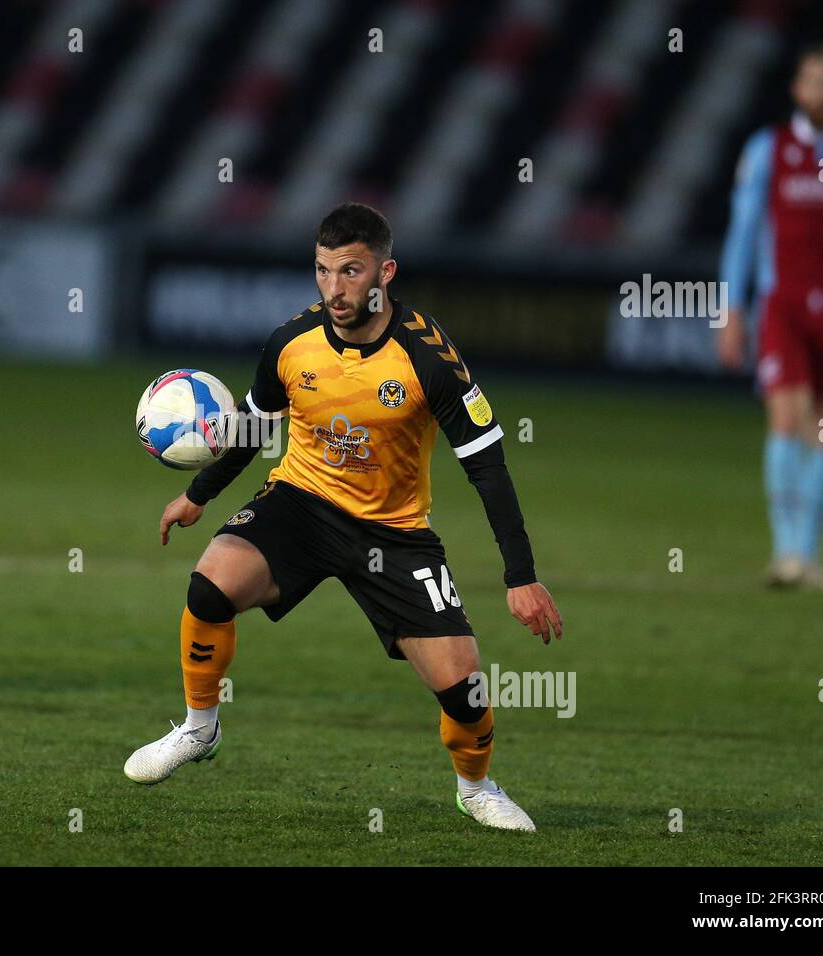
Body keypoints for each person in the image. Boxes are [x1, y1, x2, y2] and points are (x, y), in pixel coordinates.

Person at [124, 203, 563, 831]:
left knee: (463, 690)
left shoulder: (428, 358)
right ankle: (199, 727)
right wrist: (199, 494)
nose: (334, 288)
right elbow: (253, 427)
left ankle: (477, 787)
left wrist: (520, 575)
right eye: (323, 271)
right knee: (210, 584)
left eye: (351, 272)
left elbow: (487, 466)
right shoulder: (291, 343)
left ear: (385, 271)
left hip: (396, 532)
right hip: (300, 505)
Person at [718, 43, 823, 590]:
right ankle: (786, 551)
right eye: (815, 79)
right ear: (797, 89)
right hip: (784, 303)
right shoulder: (769, 149)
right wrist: (731, 307)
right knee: (787, 417)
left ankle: (808, 554)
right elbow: (742, 232)